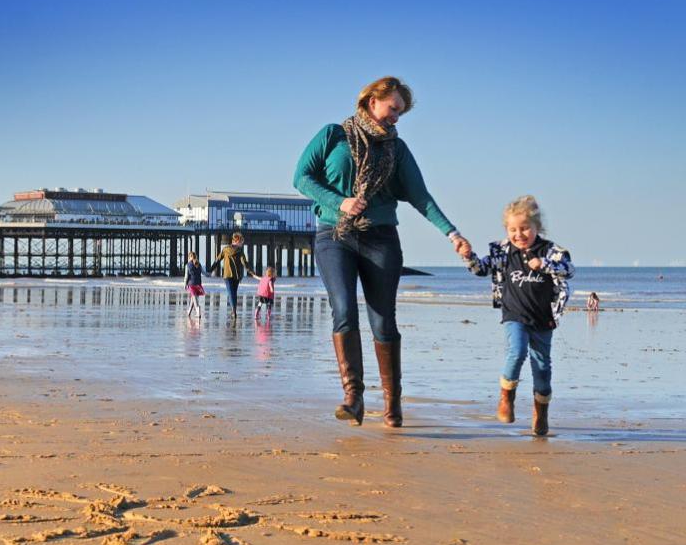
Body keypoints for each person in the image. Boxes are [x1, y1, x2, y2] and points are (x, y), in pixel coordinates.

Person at [293, 76, 470, 427]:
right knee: (343, 309)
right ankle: (353, 397)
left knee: (382, 321)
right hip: (334, 234)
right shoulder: (333, 135)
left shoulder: (397, 150)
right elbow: (302, 178)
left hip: (381, 239)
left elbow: (421, 196)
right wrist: (339, 202)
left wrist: (452, 233)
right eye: (393, 109)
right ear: (372, 101)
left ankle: (392, 402)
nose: (396, 118)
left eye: (401, 113)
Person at [460, 195, 574, 436]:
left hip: (543, 318)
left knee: (542, 367)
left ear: (537, 228)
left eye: (525, 229)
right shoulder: (503, 252)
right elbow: (481, 269)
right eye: (513, 229)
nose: (519, 234)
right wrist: (468, 256)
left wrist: (543, 265)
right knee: (517, 351)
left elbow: (569, 270)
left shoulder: (550, 252)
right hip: (514, 315)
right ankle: (506, 399)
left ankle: (540, 414)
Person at [210, 232, 254, 319]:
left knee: (231, 293)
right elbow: (244, 263)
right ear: (236, 241)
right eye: (241, 242)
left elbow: (217, 260)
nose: (242, 243)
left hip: (227, 275)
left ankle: (233, 311)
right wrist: (251, 272)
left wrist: (210, 270)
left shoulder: (225, 249)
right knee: (234, 293)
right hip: (237, 275)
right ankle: (234, 311)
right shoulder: (240, 251)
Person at [184, 251, 206, 318]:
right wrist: (210, 274)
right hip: (198, 285)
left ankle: (198, 312)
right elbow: (204, 273)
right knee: (193, 298)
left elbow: (186, 276)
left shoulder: (187, 265)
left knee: (194, 298)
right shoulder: (199, 264)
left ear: (189, 257)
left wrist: (185, 284)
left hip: (191, 285)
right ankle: (189, 311)